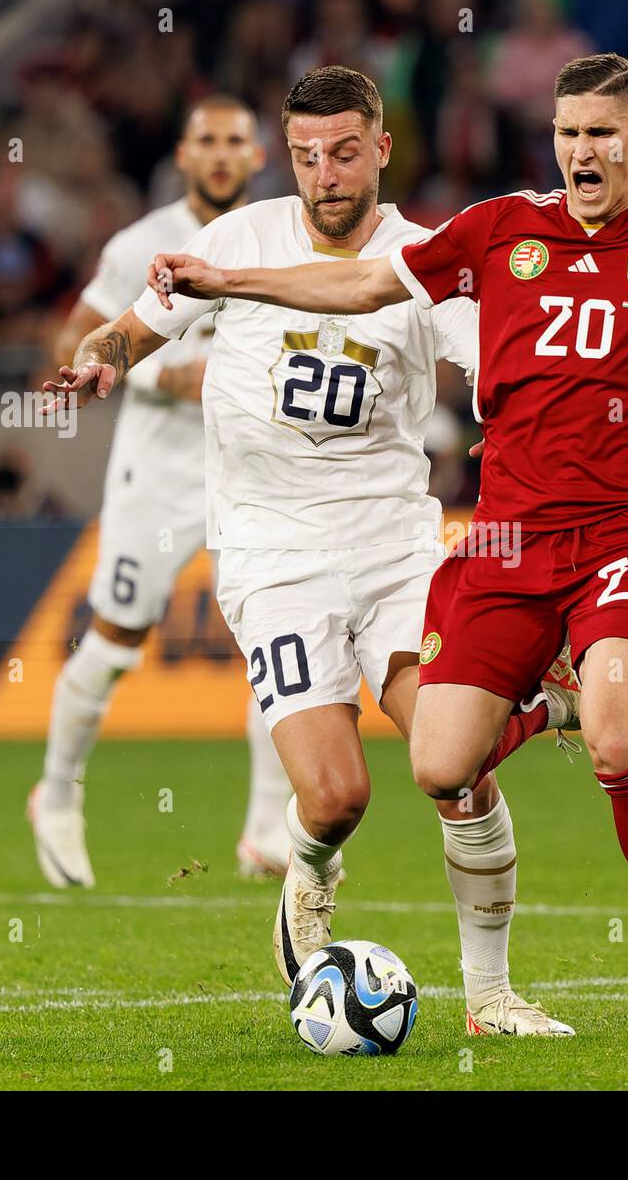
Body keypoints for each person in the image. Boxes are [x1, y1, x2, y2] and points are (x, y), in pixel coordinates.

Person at [144, 52, 628, 1044]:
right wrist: (227, 280)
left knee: (620, 736)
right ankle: (550, 701)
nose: (582, 151)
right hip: (505, 538)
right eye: (567, 133)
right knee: (439, 769)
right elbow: (366, 285)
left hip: (626, 525)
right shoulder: (500, 229)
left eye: (600, 132)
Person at [44, 67, 576, 1036]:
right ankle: (309, 870)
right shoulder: (237, 240)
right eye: (303, 156)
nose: (323, 175)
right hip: (274, 554)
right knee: (336, 795)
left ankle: (491, 996)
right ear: (284, 158)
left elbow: (500, 373)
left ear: (379, 148)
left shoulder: (425, 259)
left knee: (454, 767)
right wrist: (94, 366)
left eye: (341, 152)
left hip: (395, 549)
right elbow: (132, 332)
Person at [28, 95, 297, 889]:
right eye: (205, 141)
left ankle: (265, 832)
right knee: (115, 641)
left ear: (256, 158)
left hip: (248, 468)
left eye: (235, 143)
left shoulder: (277, 237)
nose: (220, 155)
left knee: (281, 638)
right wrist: (149, 374)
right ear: (182, 155)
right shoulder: (139, 244)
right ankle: (57, 790)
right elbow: (67, 335)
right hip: (158, 470)